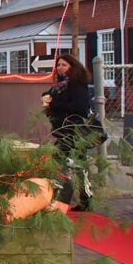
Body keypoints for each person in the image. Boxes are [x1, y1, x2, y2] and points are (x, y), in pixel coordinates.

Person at [41, 54, 92, 210]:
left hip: (74, 131)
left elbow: (80, 107)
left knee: (63, 164)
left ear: (72, 66)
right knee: (77, 166)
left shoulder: (76, 84)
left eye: (64, 65)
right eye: (58, 65)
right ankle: (84, 200)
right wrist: (46, 98)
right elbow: (50, 94)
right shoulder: (61, 84)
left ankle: (62, 201)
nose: (60, 67)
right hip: (63, 130)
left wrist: (54, 104)